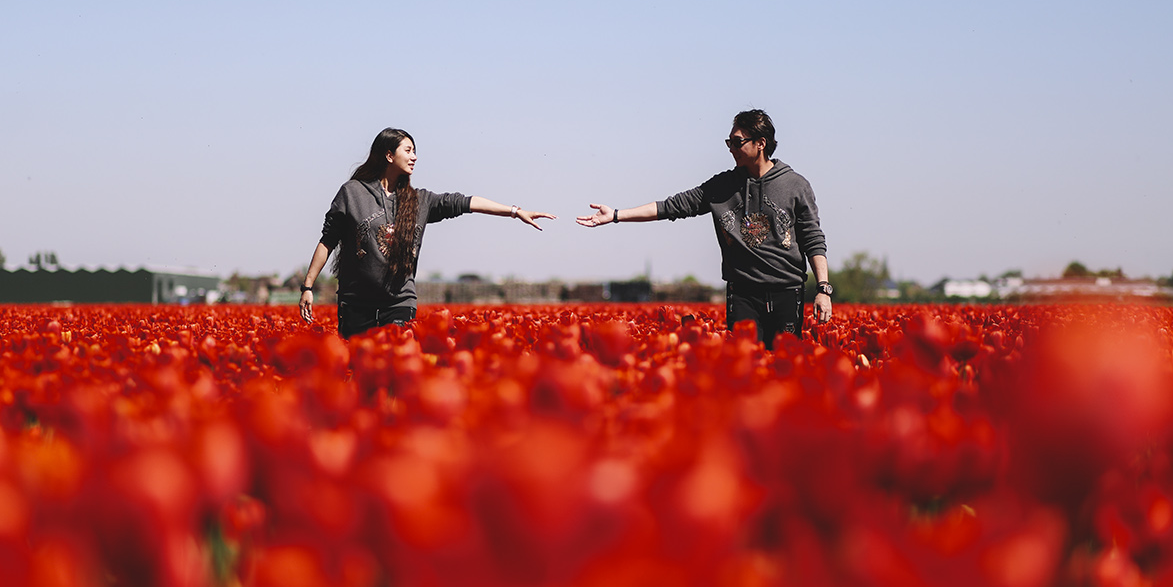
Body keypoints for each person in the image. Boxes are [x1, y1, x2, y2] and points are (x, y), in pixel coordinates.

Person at [576, 109, 830, 348]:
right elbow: (671, 207)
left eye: (737, 142)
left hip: (786, 291)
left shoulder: (795, 185)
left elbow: (812, 238)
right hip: (742, 293)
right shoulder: (721, 186)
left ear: (760, 143)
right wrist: (617, 215)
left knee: (785, 367)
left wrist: (823, 288)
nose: (731, 149)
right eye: (729, 142)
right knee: (745, 368)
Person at [300, 128, 554, 336]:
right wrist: (307, 286)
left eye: (415, 152)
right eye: (408, 150)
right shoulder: (352, 193)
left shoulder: (420, 201)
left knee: (397, 376)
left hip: (399, 304)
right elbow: (328, 241)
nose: (414, 157)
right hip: (356, 305)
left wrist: (513, 210)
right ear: (389, 155)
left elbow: (465, 202)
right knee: (360, 378)